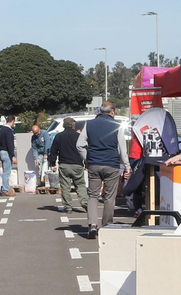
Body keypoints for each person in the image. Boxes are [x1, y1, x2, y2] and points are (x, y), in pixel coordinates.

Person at [82, 99, 130, 238]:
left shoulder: (89, 124)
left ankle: (92, 225)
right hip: (111, 164)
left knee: (93, 195)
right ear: (113, 111)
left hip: (94, 164)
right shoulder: (117, 125)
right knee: (109, 197)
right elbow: (122, 149)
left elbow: (80, 144)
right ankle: (107, 225)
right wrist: (127, 166)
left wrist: (87, 159)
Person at [49, 117, 87, 213]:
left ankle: (68, 207)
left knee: (65, 187)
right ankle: (84, 202)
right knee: (80, 185)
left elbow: (53, 151)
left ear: (63, 125)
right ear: (74, 125)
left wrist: (52, 162)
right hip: (77, 164)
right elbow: (85, 150)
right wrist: (87, 163)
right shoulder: (79, 136)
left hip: (64, 164)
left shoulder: (59, 136)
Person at [0, 116, 16, 194]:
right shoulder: (9, 131)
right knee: (7, 172)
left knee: (4, 171)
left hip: (1, 151)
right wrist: (12, 156)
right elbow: (10, 144)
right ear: (12, 121)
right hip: (7, 153)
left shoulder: (2, 130)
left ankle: (5, 187)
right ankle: (5, 190)